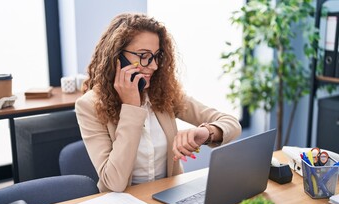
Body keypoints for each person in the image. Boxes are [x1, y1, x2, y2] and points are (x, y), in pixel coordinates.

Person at [75, 13, 242, 192]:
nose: (153, 66)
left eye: (156, 56)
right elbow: (114, 182)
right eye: (144, 55)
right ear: (117, 57)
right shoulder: (89, 105)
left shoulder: (163, 92)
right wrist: (131, 107)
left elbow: (232, 124)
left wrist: (206, 132)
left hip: (169, 197)